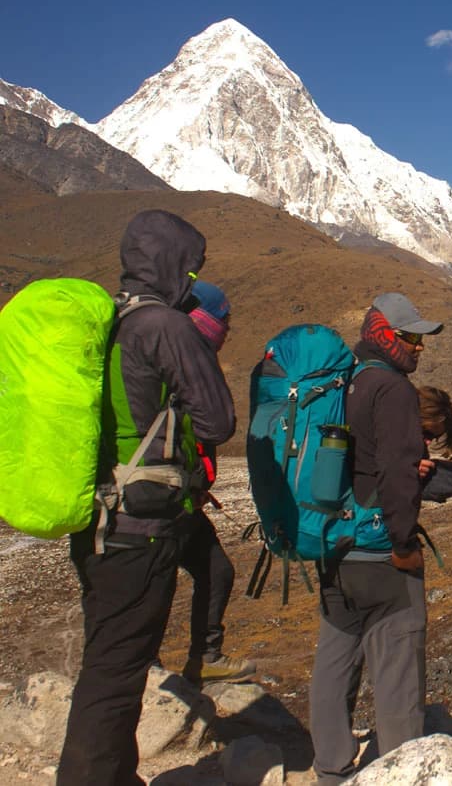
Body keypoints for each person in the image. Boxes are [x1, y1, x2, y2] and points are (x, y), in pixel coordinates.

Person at [58, 210, 236, 786]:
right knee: (115, 675)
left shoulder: (109, 320)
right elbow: (218, 419)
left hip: (99, 518)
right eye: (190, 265)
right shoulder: (165, 326)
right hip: (140, 528)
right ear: (174, 264)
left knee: (111, 662)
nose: (191, 277)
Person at [309, 292, 443, 784]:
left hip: (334, 544)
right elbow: (396, 471)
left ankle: (331, 767)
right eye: (410, 336)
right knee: (398, 667)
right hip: (380, 551)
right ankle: (401, 771)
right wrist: (404, 545)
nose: (418, 347)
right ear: (384, 335)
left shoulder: (341, 384)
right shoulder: (393, 390)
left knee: (336, 658)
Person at [177, 281, 255, 684]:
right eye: (223, 320)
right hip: (163, 500)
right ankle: (169, 661)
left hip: (180, 496)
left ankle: (204, 657)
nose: (227, 330)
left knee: (216, 571)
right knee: (160, 582)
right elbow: (215, 425)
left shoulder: (176, 356)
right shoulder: (184, 364)